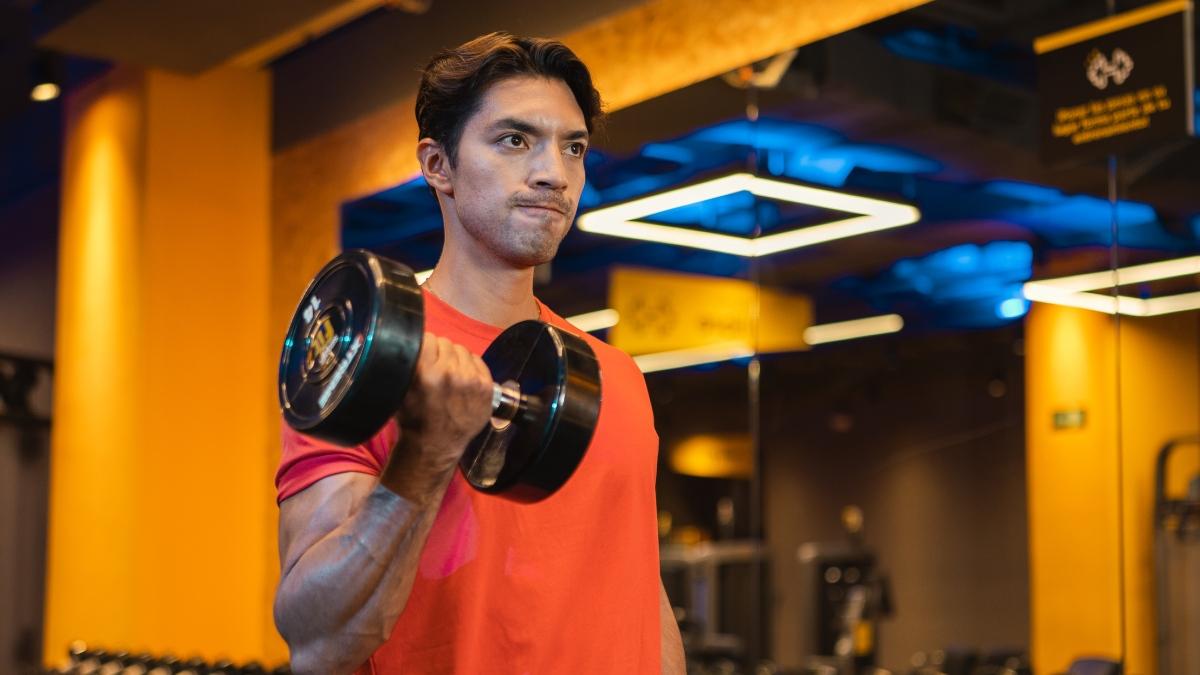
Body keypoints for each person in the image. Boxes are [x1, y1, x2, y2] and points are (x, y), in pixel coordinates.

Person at [272, 32, 686, 675]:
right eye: (514, 140)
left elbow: (639, 590)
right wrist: (424, 456)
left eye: (572, 147)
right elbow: (318, 641)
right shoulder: (369, 361)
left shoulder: (618, 376)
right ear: (438, 165)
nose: (553, 171)